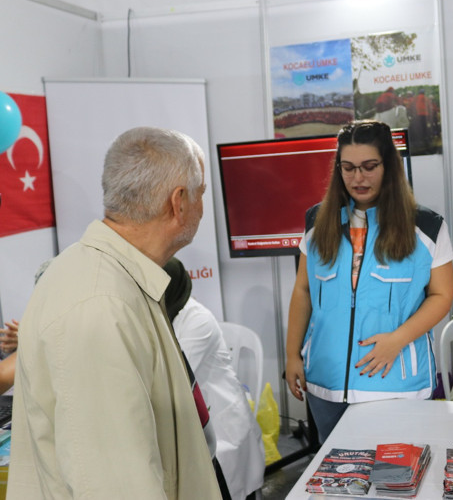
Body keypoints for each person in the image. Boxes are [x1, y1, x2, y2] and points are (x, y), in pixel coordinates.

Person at [9, 126, 222, 498]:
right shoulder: (100, 306)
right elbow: (114, 486)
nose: (203, 205)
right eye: (201, 193)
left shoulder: (114, 279)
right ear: (179, 202)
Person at [285, 120, 453, 442]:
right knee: (336, 483)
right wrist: (292, 353)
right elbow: (304, 290)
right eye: (347, 168)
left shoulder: (427, 227)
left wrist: (397, 339)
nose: (357, 178)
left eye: (368, 167)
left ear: (388, 166)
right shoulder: (317, 221)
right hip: (326, 383)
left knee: (396, 479)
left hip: (394, 384)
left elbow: (442, 295)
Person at [163, 257, 266, 500]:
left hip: (221, 431)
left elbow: (173, 377)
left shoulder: (197, 320)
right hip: (191, 426)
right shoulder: (165, 314)